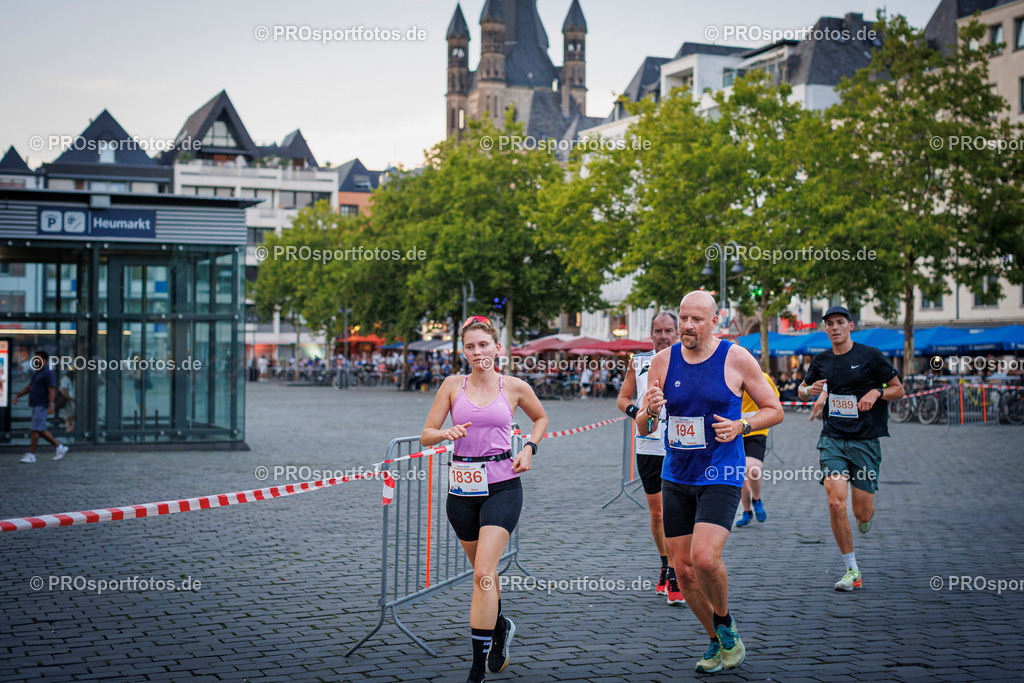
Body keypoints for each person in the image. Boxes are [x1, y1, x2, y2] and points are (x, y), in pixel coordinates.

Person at [640, 292, 783, 673]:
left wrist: (742, 425)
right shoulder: (662, 362)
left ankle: (724, 622)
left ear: (714, 321)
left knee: (705, 559)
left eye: (696, 320)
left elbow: (775, 409)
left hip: (721, 473)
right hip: (676, 475)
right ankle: (716, 639)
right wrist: (650, 411)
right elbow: (644, 425)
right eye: (683, 318)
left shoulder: (735, 357)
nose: (687, 326)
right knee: (683, 570)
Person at [421, 315, 548, 683]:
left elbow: (540, 418)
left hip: (502, 486)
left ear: (497, 348)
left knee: (481, 574)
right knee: (486, 576)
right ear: (464, 352)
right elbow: (425, 435)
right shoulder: (450, 385)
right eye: (471, 347)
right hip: (461, 489)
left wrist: (529, 448)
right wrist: (446, 433)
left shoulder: (514, 386)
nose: (478, 352)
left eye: (484, 345)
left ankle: (477, 668)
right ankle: (501, 625)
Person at [798, 306, 904, 591]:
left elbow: (899, 389)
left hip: (865, 441)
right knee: (835, 502)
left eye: (840, 322)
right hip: (832, 439)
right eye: (829, 324)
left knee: (862, 512)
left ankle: (865, 516)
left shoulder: (869, 356)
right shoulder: (821, 360)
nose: (834, 328)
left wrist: (877, 392)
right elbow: (802, 388)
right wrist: (809, 391)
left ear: (850, 326)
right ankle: (852, 569)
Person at [615, 311, 684, 603]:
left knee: (678, 509)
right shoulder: (639, 361)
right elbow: (622, 399)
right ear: (651, 334)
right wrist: (638, 415)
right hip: (648, 444)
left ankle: (677, 571)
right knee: (658, 512)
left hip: (681, 443)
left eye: (669, 330)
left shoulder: (687, 360)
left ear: (678, 333)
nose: (663, 336)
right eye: (658, 331)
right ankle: (665, 563)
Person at [734, 367, 780, 527]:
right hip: (734, 430)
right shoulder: (727, 376)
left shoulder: (763, 377)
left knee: (752, 469)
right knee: (738, 476)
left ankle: (757, 499)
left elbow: (775, 399)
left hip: (756, 428)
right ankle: (747, 511)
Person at [12, 350, 69, 463]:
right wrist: (18, 396)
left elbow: (51, 390)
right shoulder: (38, 372)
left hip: (42, 405)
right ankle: (59, 447)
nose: (34, 361)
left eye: (36, 359)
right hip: (37, 404)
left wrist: (50, 405)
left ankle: (32, 454)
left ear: (43, 360)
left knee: (35, 429)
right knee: (40, 429)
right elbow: (29, 387)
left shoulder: (48, 373)